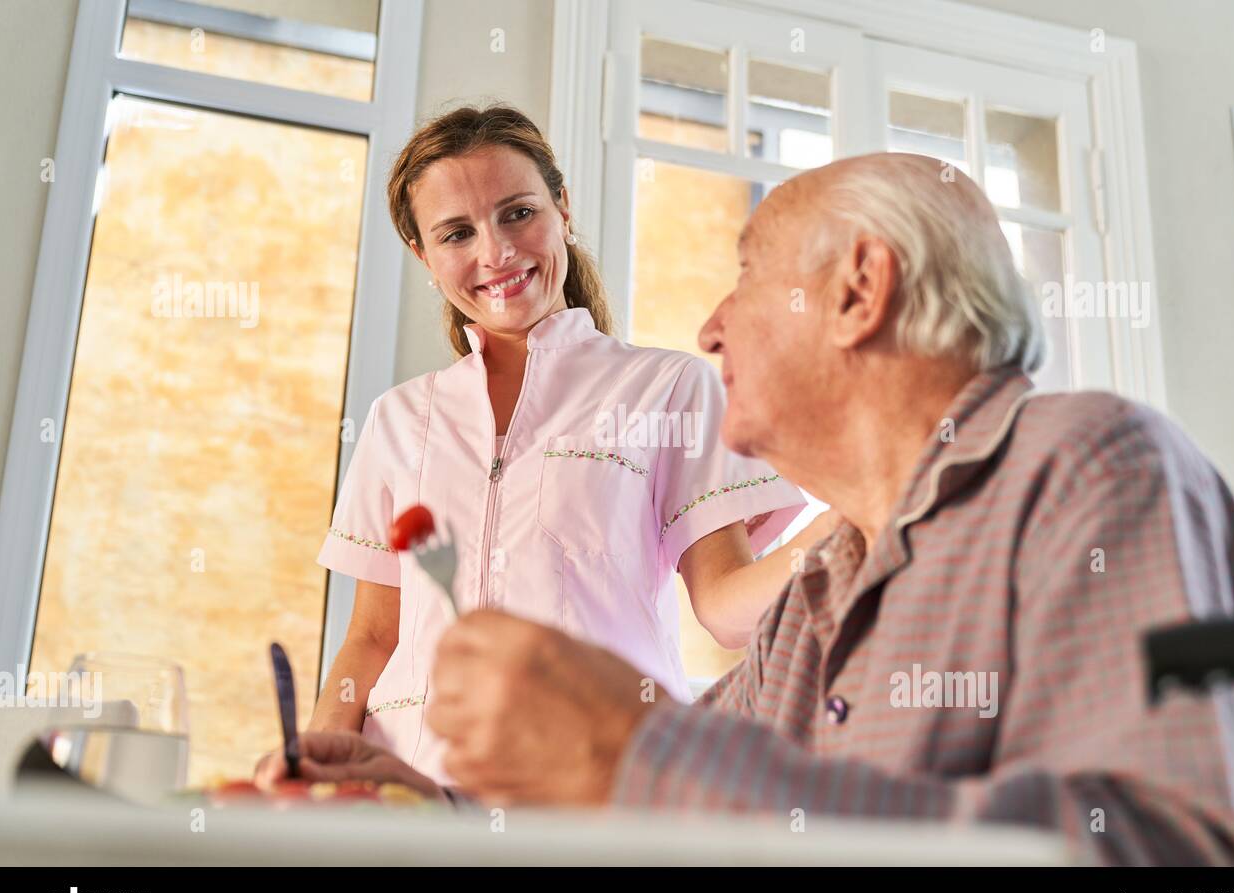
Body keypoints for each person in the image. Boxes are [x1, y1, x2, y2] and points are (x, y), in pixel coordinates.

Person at [258, 152, 1234, 866]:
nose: (709, 330)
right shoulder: (819, 590)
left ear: (858, 290)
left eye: (745, 274)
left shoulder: (1091, 468)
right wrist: (427, 805)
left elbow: (1175, 878)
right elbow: (690, 794)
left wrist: (629, 749)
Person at [271, 105, 832, 785]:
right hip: (409, 796)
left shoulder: (666, 388)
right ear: (423, 254)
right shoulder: (397, 419)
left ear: (562, 206)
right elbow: (372, 637)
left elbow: (725, 607)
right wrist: (315, 766)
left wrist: (862, 518)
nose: (496, 253)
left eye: (517, 213)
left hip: (593, 791)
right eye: (456, 233)